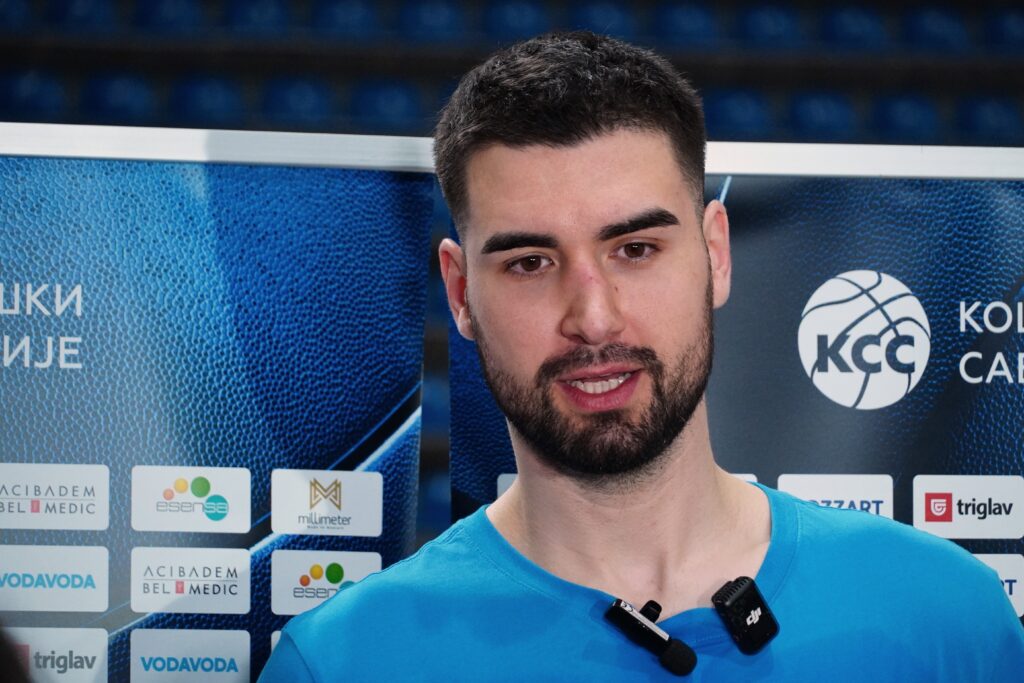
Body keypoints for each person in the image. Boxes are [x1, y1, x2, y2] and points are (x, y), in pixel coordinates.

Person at [260, 32, 1024, 681]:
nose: (593, 317)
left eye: (635, 248)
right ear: (461, 293)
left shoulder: (947, 615)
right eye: (530, 262)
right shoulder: (344, 661)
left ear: (716, 254)